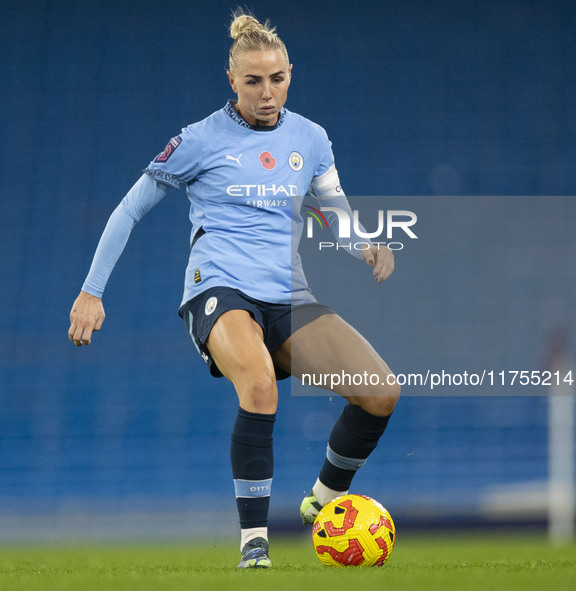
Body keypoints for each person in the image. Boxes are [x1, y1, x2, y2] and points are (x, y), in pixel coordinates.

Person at [68, 10, 400, 569]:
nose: (267, 92)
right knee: (261, 386)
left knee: (380, 391)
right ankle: (254, 544)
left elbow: (333, 210)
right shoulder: (198, 140)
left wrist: (364, 243)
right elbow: (130, 210)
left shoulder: (311, 138)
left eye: (277, 79)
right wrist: (91, 291)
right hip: (217, 289)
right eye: (253, 81)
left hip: (287, 295)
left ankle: (322, 503)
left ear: (290, 73)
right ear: (233, 81)